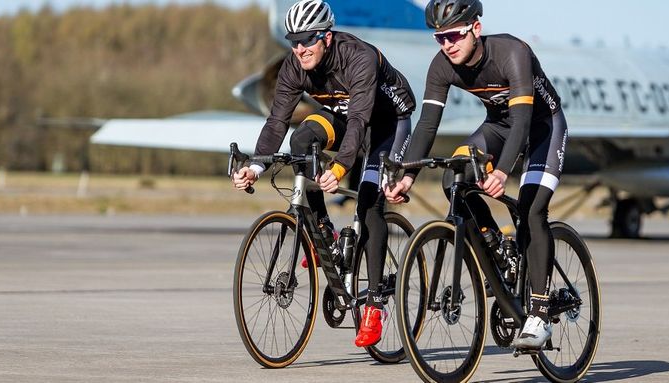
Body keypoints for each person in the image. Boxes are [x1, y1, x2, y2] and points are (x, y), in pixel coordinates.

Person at [384, 0, 569, 350]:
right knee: (454, 180)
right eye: (440, 38)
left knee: (532, 210)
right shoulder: (441, 65)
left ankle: (541, 315)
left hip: (542, 127)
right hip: (498, 127)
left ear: (476, 29)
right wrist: (406, 174)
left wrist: (501, 171)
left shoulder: (512, 52)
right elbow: (426, 125)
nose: (447, 44)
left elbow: (524, 122)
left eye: (454, 35)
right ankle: (495, 244)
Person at [231, 0, 415, 348]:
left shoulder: (357, 57)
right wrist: (256, 166)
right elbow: (277, 121)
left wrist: (341, 167)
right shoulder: (294, 65)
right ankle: (323, 230)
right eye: (293, 41)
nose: (299, 49)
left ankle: (375, 305)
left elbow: (361, 122)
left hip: (387, 123)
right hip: (347, 115)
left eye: (307, 40)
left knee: (369, 202)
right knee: (302, 137)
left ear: (326, 37)